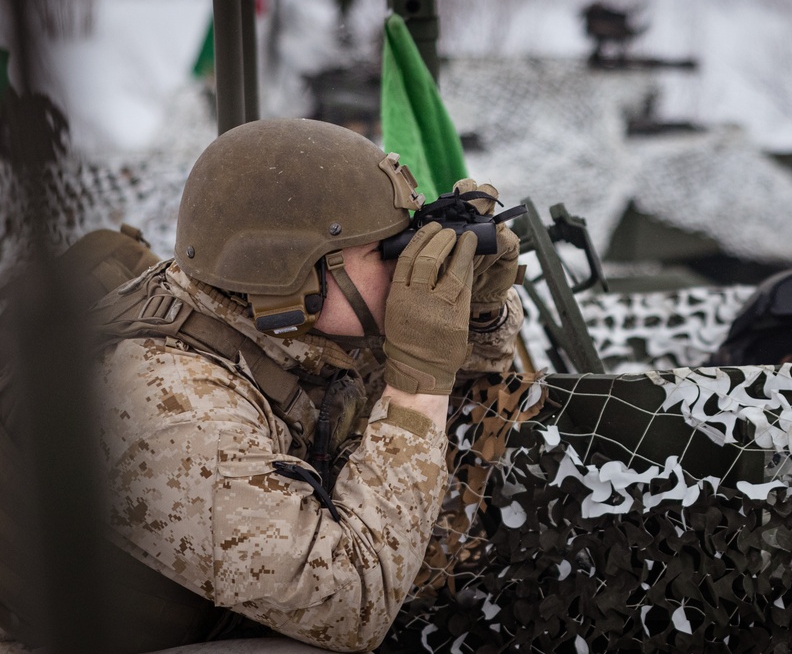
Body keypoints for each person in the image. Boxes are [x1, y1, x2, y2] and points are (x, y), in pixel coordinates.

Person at [90, 118, 523, 652]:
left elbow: (444, 375)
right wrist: (416, 388)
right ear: (295, 273)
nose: (406, 266)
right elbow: (353, 609)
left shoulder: (270, 323)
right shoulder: (175, 411)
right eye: (387, 252)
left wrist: (475, 309)